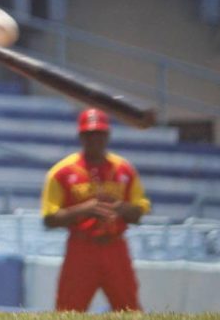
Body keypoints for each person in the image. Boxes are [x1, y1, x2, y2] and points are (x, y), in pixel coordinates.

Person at [41, 108, 151, 312]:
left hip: (115, 247)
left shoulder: (124, 169)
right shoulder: (62, 172)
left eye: (99, 134)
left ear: (107, 135)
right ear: (81, 136)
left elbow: (139, 211)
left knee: (129, 309)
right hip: (81, 247)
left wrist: (119, 208)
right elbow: (49, 218)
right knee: (68, 310)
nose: (95, 139)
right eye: (89, 134)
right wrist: (85, 209)